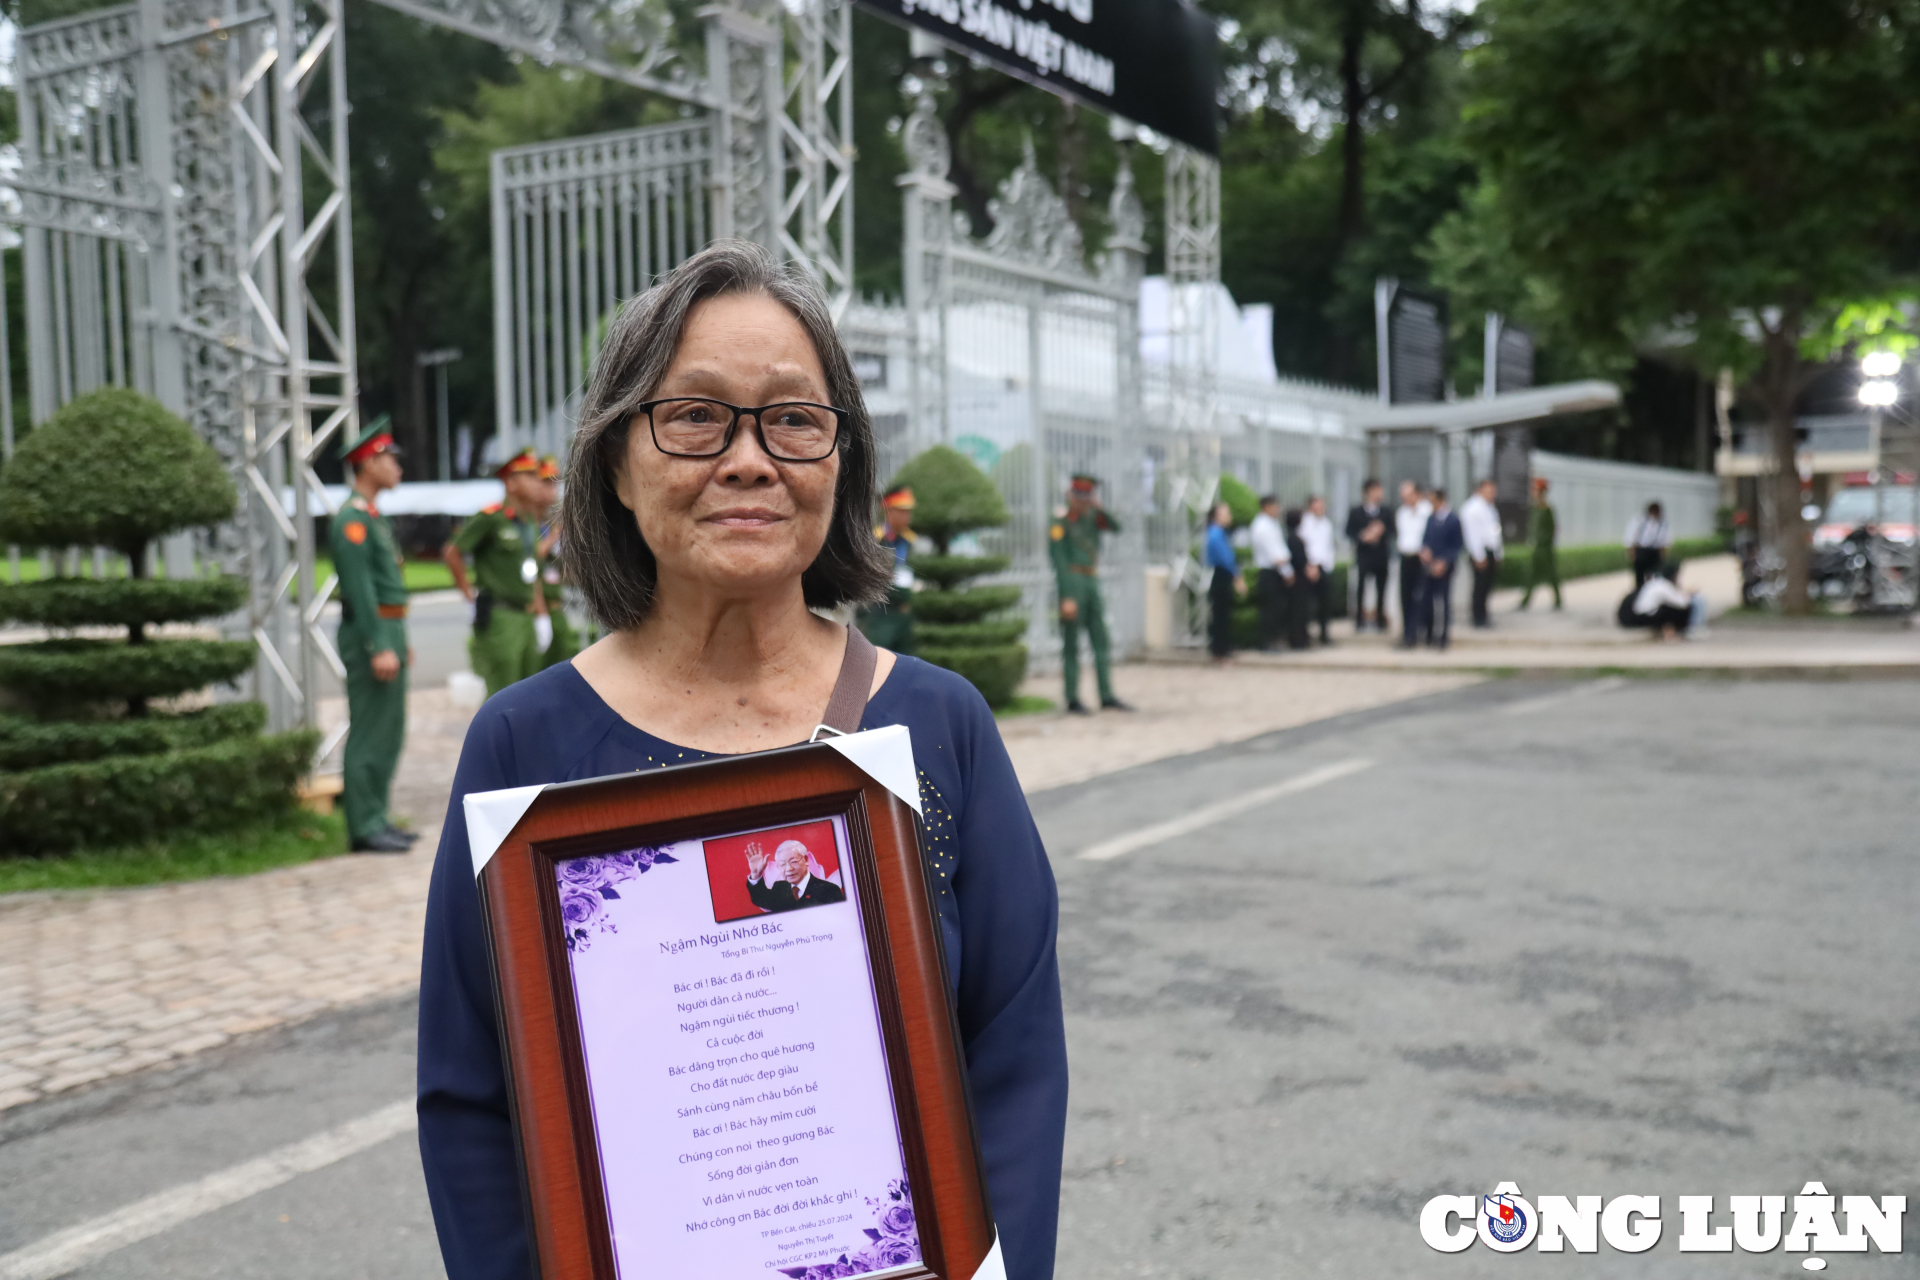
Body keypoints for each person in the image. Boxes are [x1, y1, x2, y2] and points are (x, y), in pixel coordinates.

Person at [418, 241, 1066, 1280]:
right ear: (617, 461)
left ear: (839, 459)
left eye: (795, 420)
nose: (750, 458)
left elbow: (1016, 1059)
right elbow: (471, 1099)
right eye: (694, 415)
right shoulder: (522, 742)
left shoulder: (938, 723)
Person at [330, 418, 417, 855]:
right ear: (367, 464)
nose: (396, 466)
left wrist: (398, 639)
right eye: (389, 458)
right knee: (370, 729)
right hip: (372, 634)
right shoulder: (352, 521)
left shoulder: (372, 518)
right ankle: (363, 826)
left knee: (390, 729)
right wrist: (379, 644)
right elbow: (361, 593)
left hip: (389, 629)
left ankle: (378, 816)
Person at [445, 448, 554, 696]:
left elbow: (531, 573)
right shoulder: (492, 517)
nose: (538, 482)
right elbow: (453, 552)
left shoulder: (528, 522)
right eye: (530, 476)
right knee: (503, 695)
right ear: (511, 483)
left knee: (528, 695)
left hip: (526, 615)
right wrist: (468, 596)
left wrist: (541, 615)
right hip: (501, 616)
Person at [1051, 474, 1132, 713]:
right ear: (1071, 495)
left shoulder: (1093, 517)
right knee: (1071, 643)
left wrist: (1101, 508)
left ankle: (1106, 695)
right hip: (1072, 583)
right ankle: (1072, 698)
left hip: (1091, 580)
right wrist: (1066, 596)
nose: (1084, 501)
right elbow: (1058, 559)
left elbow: (1117, 527)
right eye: (1080, 496)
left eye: (1088, 496)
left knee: (1101, 639)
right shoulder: (1060, 521)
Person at [858, 484, 917, 653]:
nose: (907, 516)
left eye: (908, 511)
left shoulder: (909, 541)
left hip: (903, 614)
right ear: (888, 511)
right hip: (879, 616)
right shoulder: (875, 541)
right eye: (901, 511)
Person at [535, 454, 581, 669]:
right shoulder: (526, 520)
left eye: (554, 483)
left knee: (566, 659)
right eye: (546, 483)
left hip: (556, 602)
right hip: (533, 604)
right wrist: (553, 537)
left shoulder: (551, 518)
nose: (552, 490)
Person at [745, 839, 847, 912]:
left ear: (806, 860)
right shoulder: (779, 888)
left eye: (793, 862)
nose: (789, 869)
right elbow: (760, 898)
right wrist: (756, 874)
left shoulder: (829, 890)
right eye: (782, 864)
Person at [1345, 478, 1391, 631]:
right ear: (1369, 492)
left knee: (1381, 587)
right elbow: (1349, 531)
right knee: (1361, 587)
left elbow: (1393, 530)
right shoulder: (1356, 511)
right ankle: (1359, 619)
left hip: (1381, 554)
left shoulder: (1386, 511)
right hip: (1364, 554)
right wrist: (1363, 536)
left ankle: (1380, 619)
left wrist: (1380, 532)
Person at [1420, 487, 1463, 649]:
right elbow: (1426, 539)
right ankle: (1430, 634)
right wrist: (1425, 551)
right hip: (1430, 565)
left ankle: (1444, 635)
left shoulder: (1453, 520)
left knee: (1444, 601)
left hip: (1445, 567)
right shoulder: (1431, 518)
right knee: (1428, 601)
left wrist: (1444, 561)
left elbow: (1456, 545)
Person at [1249, 494, 1293, 651]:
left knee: (1276, 608)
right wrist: (1287, 570)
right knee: (1269, 610)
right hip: (1268, 572)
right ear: (1267, 507)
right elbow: (1275, 554)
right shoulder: (1262, 526)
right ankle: (1267, 642)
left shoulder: (1272, 524)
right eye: (1275, 506)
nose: (1278, 509)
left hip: (1275, 572)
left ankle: (1274, 640)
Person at [1460, 477, 1504, 629]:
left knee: (1487, 587)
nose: (1492, 493)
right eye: (1489, 490)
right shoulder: (1472, 508)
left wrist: (1498, 553)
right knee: (1479, 586)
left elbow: (1495, 532)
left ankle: (1484, 614)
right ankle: (1477, 617)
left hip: (1490, 550)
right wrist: (1479, 555)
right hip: (1480, 552)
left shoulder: (1490, 508)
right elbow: (1472, 535)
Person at [1625, 562, 1710, 640]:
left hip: (1641, 613)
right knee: (1682, 608)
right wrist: (1690, 594)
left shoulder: (1655, 582)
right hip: (1644, 616)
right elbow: (1681, 603)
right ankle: (1693, 629)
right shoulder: (1663, 586)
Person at [1204, 500, 1242, 662]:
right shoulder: (1216, 534)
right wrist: (1237, 576)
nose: (1229, 516)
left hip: (1221, 575)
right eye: (1226, 513)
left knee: (1222, 613)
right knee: (1220, 614)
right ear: (1217, 516)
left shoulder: (1218, 533)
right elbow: (1226, 558)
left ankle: (1222, 647)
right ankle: (1219, 650)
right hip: (1221, 575)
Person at [1396, 480, 1432, 649]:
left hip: (1422, 558)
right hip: (1406, 557)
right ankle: (1408, 633)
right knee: (1405, 596)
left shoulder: (1427, 511)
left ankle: (1425, 631)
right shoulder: (1401, 512)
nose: (1405, 498)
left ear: (1417, 495)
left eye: (1408, 495)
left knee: (1423, 597)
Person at [1519, 477, 1562, 610]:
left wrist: (1542, 540)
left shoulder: (1547, 510)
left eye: (1536, 490)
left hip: (1545, 548)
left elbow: (1552, 529)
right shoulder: (1534, 508)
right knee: (1532, 575)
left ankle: (1558, 600)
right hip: (1536, 547)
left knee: (1551, 575)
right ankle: (1525, 601)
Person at [1299, 495, 1336, 645]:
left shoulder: (1326, 523)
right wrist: (1310, 565)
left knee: (1324, 603)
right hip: (1310, 567)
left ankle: (1324, 634)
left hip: (1324, 566)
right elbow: (1304, 546)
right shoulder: (1304, 523)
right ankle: (1305, 634)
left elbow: (1328, 546)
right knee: (1307, 603)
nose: (1321, 508)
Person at [1283, 507, 1312, 650]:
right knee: (1298, 610)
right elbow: (1300, 560)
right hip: (1298, 579)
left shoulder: (1289, 537)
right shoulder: (1294, 539)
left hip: (1297, 578)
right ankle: (1298, 640)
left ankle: (1299, 639)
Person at [1626, 501, 1671, 589]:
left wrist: (1663, 557)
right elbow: (1630, 539)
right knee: (1639, 578)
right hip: (1641, 551)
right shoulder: (1639, 521)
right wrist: (1633, 555)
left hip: (1655, 552)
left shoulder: (1663, 524)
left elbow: (1665, 543)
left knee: (1656, 577)